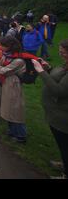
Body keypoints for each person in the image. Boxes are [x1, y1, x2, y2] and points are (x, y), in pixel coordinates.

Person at [32, 39, 68, 179]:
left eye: (64, 52)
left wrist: (41, 71)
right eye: (60, 51)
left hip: (63, 118)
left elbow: (59, 90)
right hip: (56, 115)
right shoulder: (65, 65)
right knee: (62, 145)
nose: (61, 54)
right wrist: (49, 68)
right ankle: (64, 163)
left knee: (65, 145)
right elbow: (59, 77)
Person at [0, 36, 27, 143]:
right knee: (7, 108)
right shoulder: (7, 56)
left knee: (15, 110)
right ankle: (12, 131)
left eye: (3, 46)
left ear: (10, 47)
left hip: (13, 85)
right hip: (5, 83)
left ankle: (21, 135)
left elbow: (1, 70)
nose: (1, 47)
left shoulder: (18, 60)